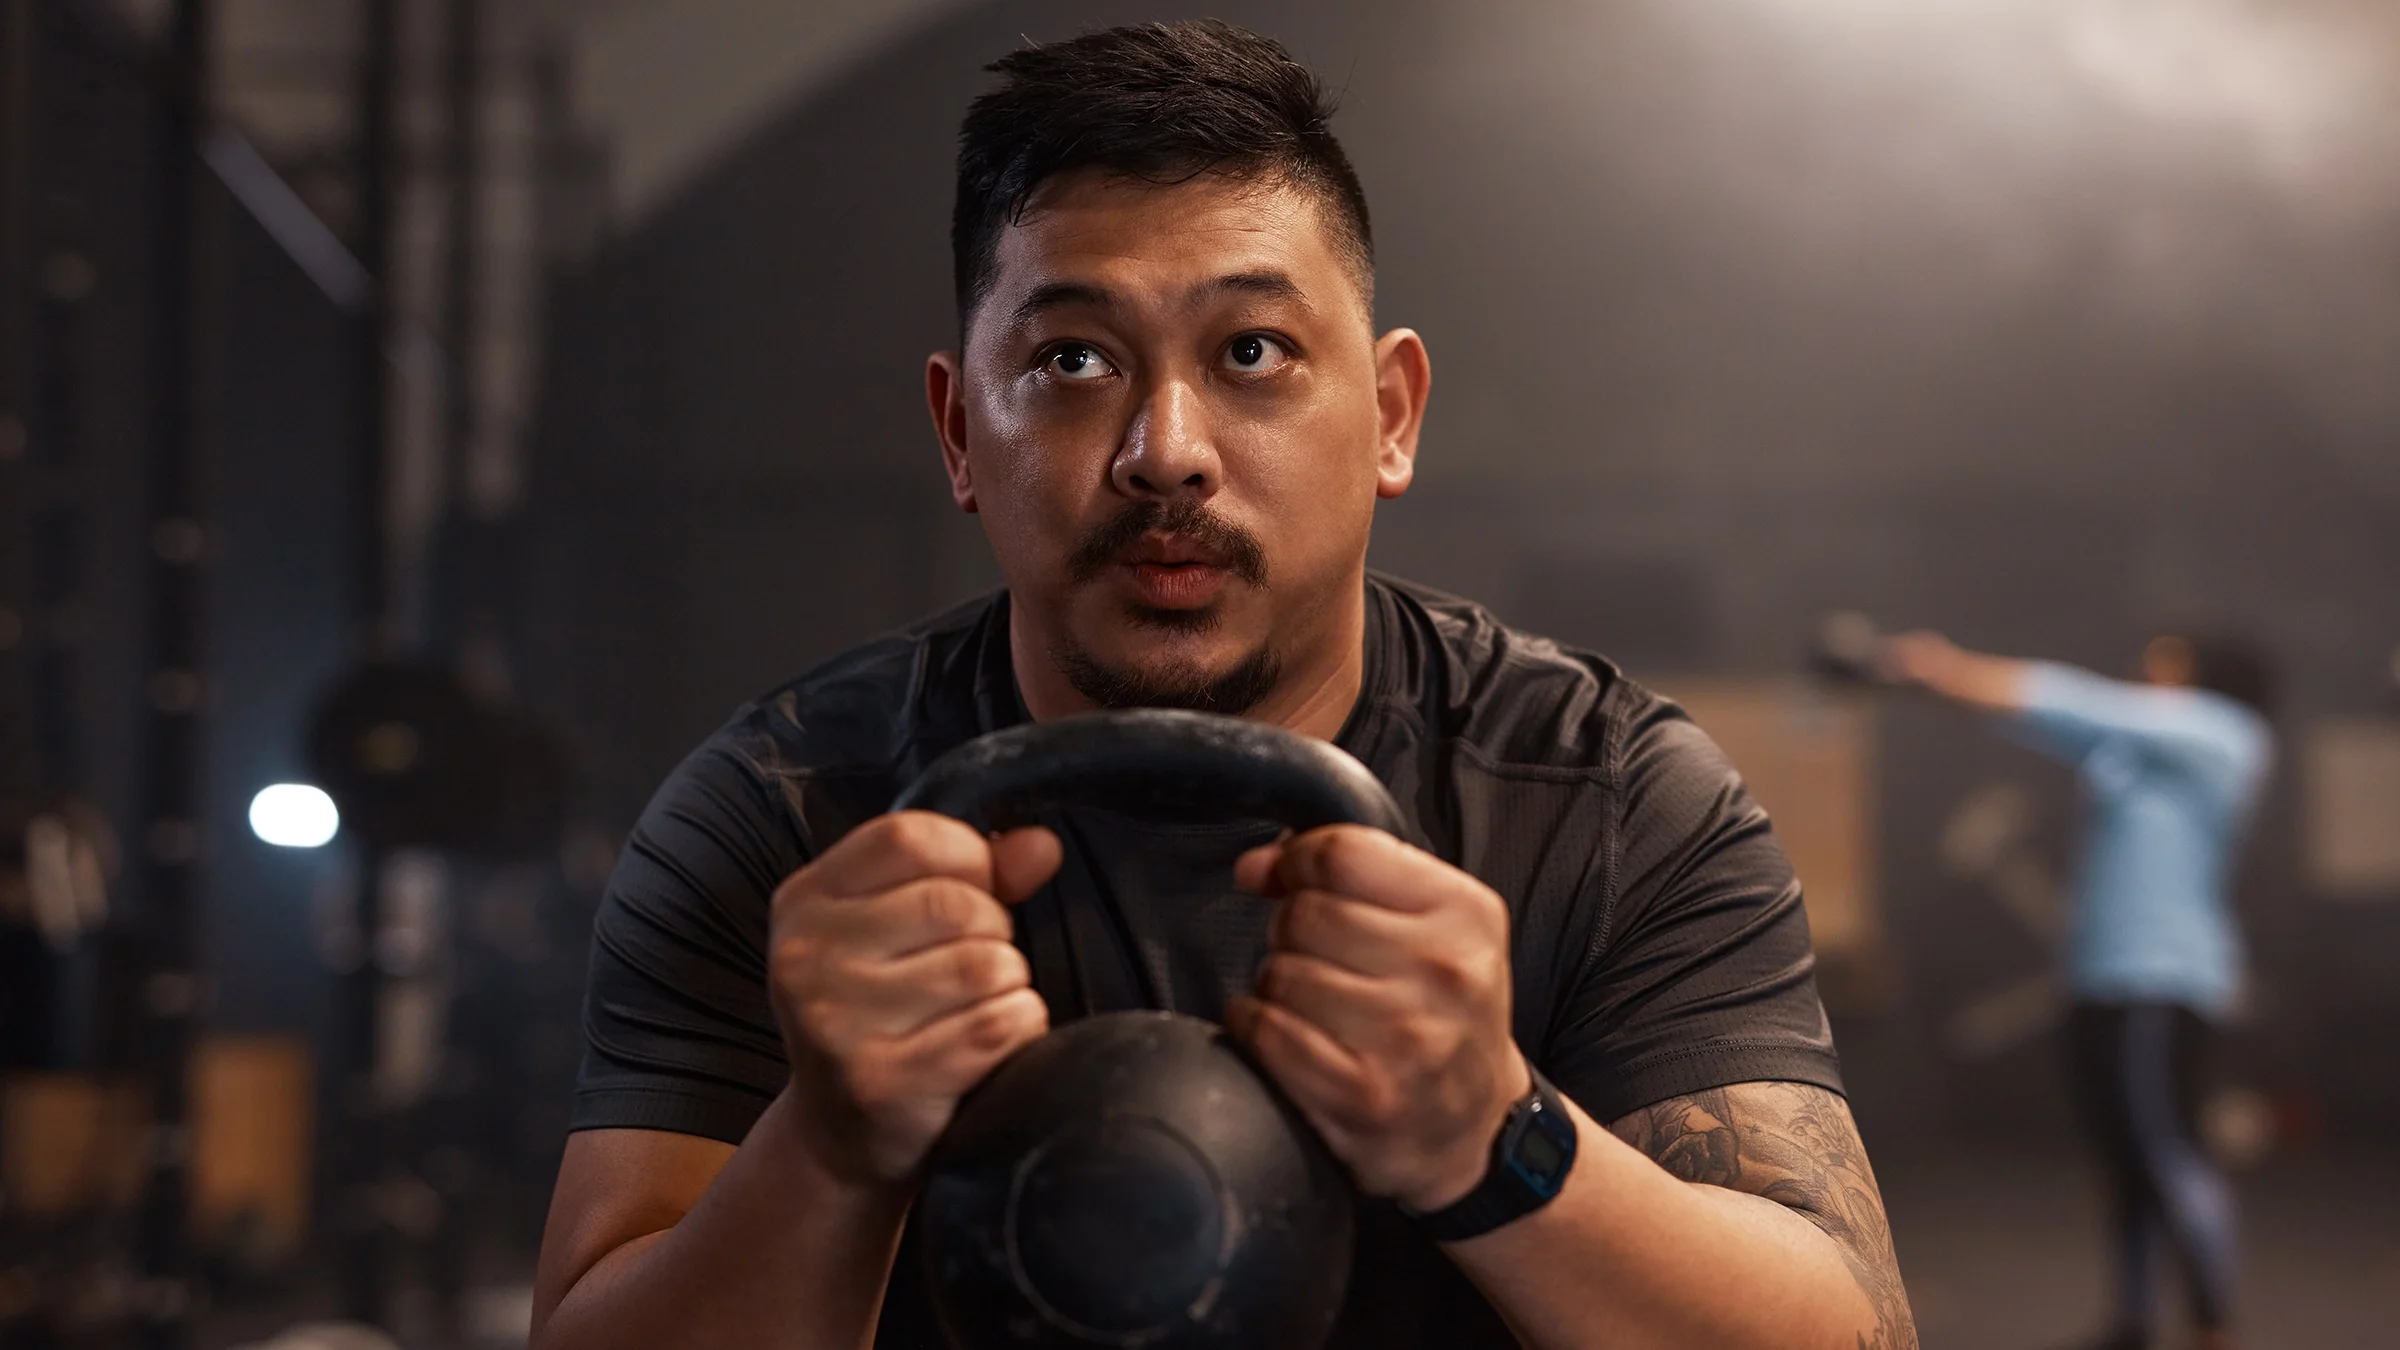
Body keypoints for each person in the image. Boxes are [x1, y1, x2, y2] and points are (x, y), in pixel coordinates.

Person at [530, 21, 1914, 1350]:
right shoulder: (780, 817)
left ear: (1391, 414)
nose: (1166, 449)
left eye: (1252, 351)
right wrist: (823, 1149)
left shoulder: (1606, 798)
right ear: (961, 432)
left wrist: (1498, 1138)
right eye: (1074, 360)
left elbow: (1852, 1327)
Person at [1875, 628, 2273, 1350]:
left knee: (2166, 1149)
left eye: (2165, 661)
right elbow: (2048, 720)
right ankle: (2134, 1323)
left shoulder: (2221, 734)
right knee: (2124, 1162)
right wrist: (1948, 688)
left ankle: (2214, 1328)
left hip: (2162, 980)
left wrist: (1944, 667)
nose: (2147, 671)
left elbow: (2075, 703)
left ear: (2203, 673)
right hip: (2103, 979)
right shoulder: (2135, 754)